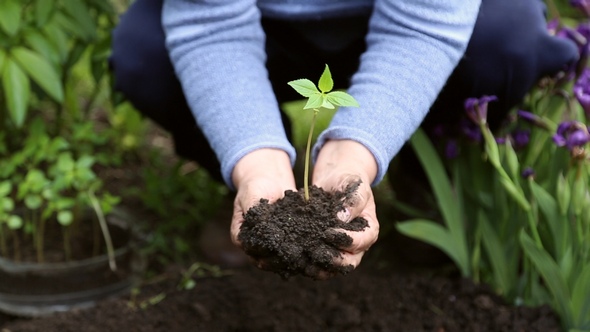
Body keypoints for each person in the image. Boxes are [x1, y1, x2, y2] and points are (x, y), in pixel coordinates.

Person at [110, 0, 577, 277]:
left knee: (509, 38)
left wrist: (356, 152)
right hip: (263, 23)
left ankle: (425, 177)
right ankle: (247, 186)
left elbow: (424, 21)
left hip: (417, 20)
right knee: (145, 53)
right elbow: (210, 26)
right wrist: (255, 160)